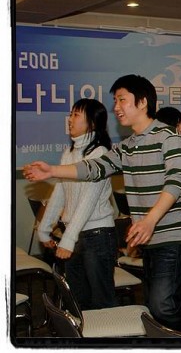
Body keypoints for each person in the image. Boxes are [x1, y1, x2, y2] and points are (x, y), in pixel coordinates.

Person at [24, 74, 181, 337]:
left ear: (142, 102)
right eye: (115, 101)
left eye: (122, 100)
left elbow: (177, 182)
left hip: (174, 236)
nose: (116, 107)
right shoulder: (127, 147)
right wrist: (52, 170)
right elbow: (94, 168)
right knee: (160, 308)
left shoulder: (169, 137)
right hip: (149, 238)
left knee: (163, 305)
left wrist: (149, 221)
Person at [37, 98, 117, 310]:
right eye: (71, 114)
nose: (70, 119)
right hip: (75, 235)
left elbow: (87, 202)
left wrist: (67, 240)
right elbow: (59, 193)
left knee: (102, 303)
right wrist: (44, 229)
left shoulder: (100, 154)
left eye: (76, 115)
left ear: (92, 123)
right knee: (79, 303)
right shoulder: (69, 153)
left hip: (97, 235)